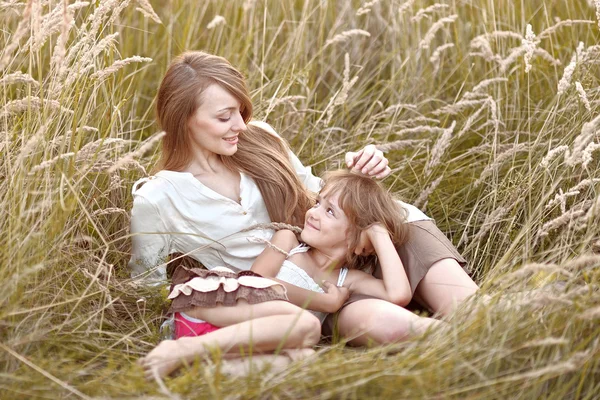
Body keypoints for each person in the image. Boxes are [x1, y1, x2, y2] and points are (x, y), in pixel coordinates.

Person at [131, 50, 478, 362]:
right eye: (225, 117)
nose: (240, 124)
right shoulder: (158, 197)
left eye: (240, 110)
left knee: (477, 313)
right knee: (403, 330)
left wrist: (358, 173)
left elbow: (317, 194)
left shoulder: (261, 138)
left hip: (384, 234)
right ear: (183, 120)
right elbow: (147, 287)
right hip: (319, 292)